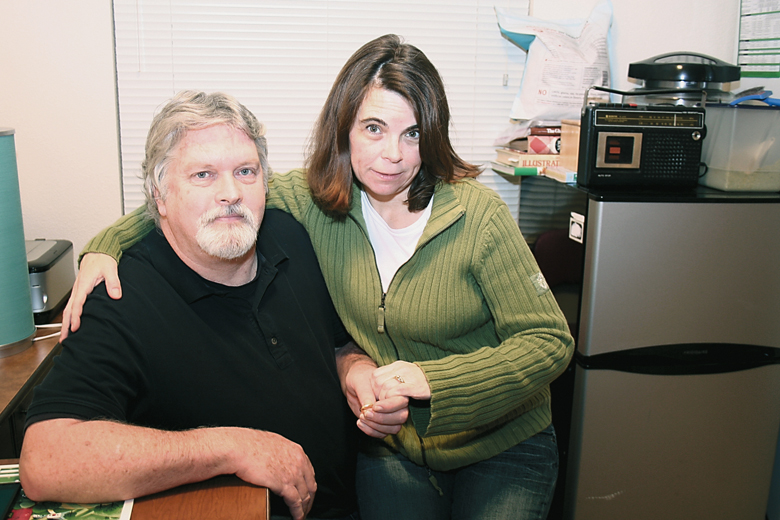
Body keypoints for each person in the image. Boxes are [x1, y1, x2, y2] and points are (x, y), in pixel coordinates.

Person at [63, 35, 575, 519]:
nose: (393, 155)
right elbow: (207, 195)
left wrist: (432, 382)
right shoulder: (316, 201)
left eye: (412, 133)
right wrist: (102, 248)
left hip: (502, 442)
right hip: (393, 445)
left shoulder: (477, 216)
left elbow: (549, 340)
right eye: (373, 129)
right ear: (345, 130)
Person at [19, 90, 366, 520]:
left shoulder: (292, 237)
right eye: (203, 175)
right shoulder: (121, 297)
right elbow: (46, 460)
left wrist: (356, 368)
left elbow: (335, 344)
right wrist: (231, 448)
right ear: (159, 197)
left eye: (246, 171)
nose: (230, 193)